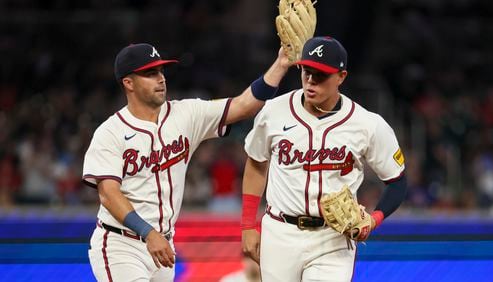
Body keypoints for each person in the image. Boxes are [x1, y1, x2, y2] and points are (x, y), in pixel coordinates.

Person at [83, 43, 292, 281]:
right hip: (122, 244)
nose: (160, 79)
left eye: (161, 72)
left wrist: (281, 64)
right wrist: (148, 233)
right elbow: (109, 195)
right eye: (150, 73)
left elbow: (243, 105)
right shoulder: (110, 132)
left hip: (163, 245)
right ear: (128, 83)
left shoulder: (185, 114)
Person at [241, 36, 407, 281]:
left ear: (341, 77)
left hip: (333, 238)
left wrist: (374, 220)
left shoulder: (367, 124)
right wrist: (247, 226)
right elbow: (256, 163)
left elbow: (397, 180)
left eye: (320, 75)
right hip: (280, 232)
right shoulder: (273, 112)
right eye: (307, 71)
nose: (311, 81)